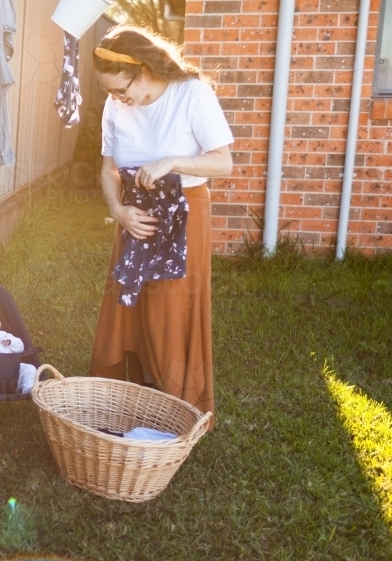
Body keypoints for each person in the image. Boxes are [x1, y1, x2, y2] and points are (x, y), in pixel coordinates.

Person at [89, 25, 234, 421]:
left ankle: (175, 403)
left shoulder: (192, 93)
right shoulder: (117, 105)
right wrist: (118, 210)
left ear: (145, 70)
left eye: (122, 90)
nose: (119, 99)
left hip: (184, 213)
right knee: (128, 305)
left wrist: (172, 161)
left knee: (172, 308)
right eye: (111, 93)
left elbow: (223, 162)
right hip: (134, 215)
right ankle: (130, 395)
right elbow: (108, 168)